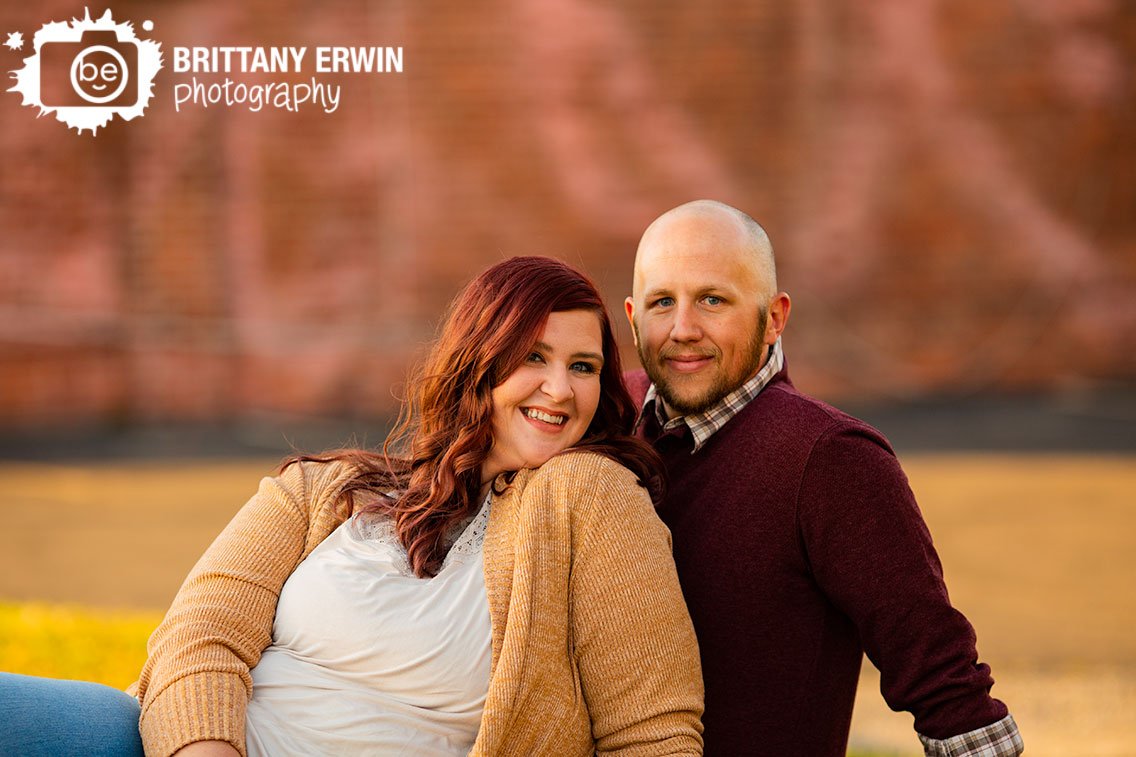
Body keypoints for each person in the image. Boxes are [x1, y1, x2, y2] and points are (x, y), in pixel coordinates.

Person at [0, 255, 704, 757]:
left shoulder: (595, 501)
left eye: (583, 366)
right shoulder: (325, 490)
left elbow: (654, 732)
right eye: (534, 357)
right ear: (478, 363)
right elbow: (200, 631)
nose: (559, 388)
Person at [623, 200, 1023, 757]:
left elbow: (942, 684)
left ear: (774, 318)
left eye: (713, 300)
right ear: (631, 315)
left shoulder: (830, 458)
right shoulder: (603, 412)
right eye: (662, 301)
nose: (682, 328)